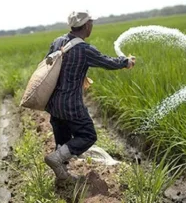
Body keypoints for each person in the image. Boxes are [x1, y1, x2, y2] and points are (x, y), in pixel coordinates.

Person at [43, 10, 135, 184]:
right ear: (86, 25)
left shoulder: (57, 42)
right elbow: (107, 62)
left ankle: (61, 178)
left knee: (63, 141)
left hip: (54, 104)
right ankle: (56, 160)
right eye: (91, 22)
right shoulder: (84, 49)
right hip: (71, 104)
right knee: (88, 135)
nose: (92, 25)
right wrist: (126, 61)